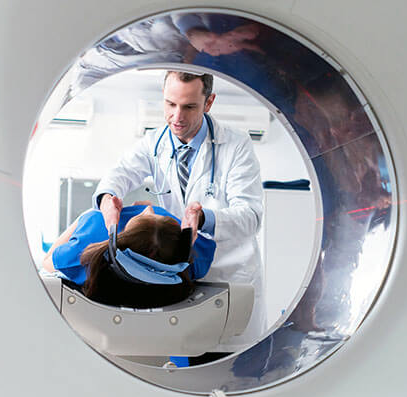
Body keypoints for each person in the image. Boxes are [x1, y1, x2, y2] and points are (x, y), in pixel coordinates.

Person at [93, 71, 265, 352]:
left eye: (189, 107)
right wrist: (107, 196)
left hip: (228, 276)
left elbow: (251, 216)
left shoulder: (236, 146)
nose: (177, 117)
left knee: (225, 365)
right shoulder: (154, 143)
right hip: (179, 278)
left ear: (208, 102)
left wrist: (204, 218)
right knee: (180, 366)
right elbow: (121, 172)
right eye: (170, 104)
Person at [42, 203, 216, 309]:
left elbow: (47, 261)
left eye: (144, 215)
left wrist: (85, 216)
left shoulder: (89, 240)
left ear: (130, 236)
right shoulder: (192, 259)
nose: (148, 208)